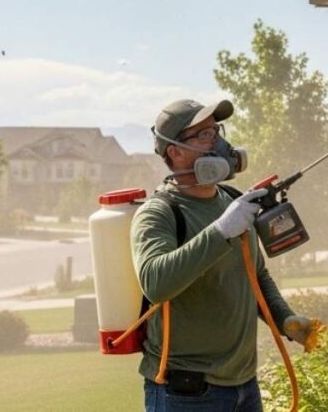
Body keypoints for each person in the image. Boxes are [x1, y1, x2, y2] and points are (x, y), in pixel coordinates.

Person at [131, 98, 313, 412]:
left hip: (245, 387)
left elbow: (255, 274)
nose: (219, 143)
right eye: (204, 135)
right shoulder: (159, 213)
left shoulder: (233, 202)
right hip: (188, 394)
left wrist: (285, 319)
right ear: (175, 152)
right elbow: (156, 283)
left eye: (216, 131)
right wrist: (220, 231)